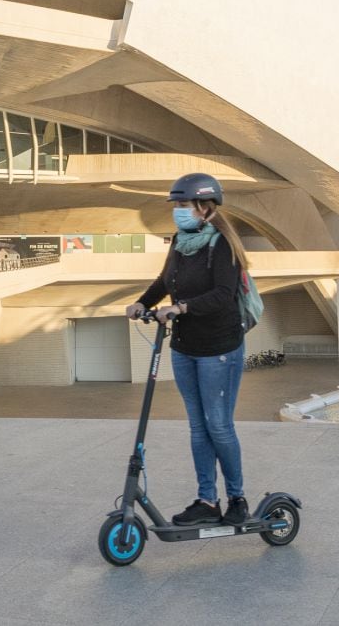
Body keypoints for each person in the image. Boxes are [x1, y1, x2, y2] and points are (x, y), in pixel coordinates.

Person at [125, 173, 250, 527]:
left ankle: (237, 499)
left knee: (219, 426)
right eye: (176, 206)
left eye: (182, 206)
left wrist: (181, 309)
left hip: (219, 349)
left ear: (204, 207)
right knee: (198, 427)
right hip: (185, 347)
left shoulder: (223, 244)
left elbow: (223, 295)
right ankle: (207, 501)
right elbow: (166, 282)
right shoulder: (180, 241)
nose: (177, 212)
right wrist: (141, 302)